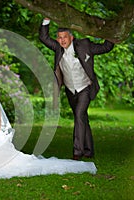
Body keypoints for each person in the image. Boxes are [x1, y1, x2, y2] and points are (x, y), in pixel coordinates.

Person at [39, 18, 114, 160]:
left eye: (65, 37)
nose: (62, 40)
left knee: (79, 115)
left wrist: (109, 32)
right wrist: (46, 20)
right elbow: (43, 37)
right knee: (82, 118)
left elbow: (105, 47)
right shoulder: (57, 48)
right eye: (59, 38)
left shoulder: (84, 45)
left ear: (71, 37)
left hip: (85, 87)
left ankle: (77, 152)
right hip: (70, 90)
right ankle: (89, 150)